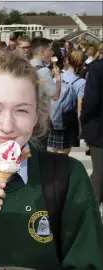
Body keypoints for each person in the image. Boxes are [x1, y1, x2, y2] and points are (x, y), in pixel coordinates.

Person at [0, 51, 103, 269]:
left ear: (36, 115)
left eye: (21, 111)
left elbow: (88, 260)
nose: (7, 125)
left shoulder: (67, 176)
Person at [80, 42, 103, 218]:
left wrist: (83, 120)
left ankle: (89, 211)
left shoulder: (96, 69)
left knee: (99, 171)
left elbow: (91, 101)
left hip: (98, 127)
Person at [48, 50, 86, 154]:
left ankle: (51, 169)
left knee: (53, 153)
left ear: (67, 61)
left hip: (52, 118)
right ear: (81, 63)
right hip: (68, 122)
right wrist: (81, 128)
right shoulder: (81, 82)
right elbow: (80, 108)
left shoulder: (57, 75)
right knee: (63, 156)